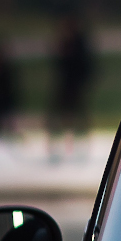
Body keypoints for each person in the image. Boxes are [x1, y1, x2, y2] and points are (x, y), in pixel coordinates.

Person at [46, 13, 94, 156]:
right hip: (66, 83)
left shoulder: (79, 42)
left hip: (75, 83)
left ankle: (80, 145)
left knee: (77, 114)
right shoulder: (66, 41)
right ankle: (56, 145)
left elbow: (85, 64)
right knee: (59, 113)